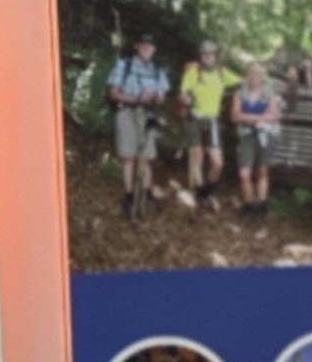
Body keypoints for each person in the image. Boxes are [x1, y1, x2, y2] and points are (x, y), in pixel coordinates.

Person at [107, 31, 170, 222]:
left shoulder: (157, 71)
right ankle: (128, 196)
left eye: (150, 45)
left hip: (147, 114)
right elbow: (113, 93)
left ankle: (148, 193)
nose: (146, 48)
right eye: (143, 44)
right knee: (129, 156)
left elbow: (162, 96)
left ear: (154, 49)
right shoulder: (123, 64)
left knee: (147, 156)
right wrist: (135, 98)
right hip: (126, 111)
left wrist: (154, 96)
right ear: (136, 46)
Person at [179, 39, 236, 209]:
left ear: (215, 55)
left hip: (212, 120)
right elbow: (182, 93)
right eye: (205, 54)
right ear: (201, 56)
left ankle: (207, 191)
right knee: (197, 155)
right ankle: (200, 191)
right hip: (194, 118)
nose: (208, 56)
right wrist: (186, 98)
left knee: (218, 163)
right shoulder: (193, 72)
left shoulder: (221, 72)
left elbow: (243, 82)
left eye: (211, 53)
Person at [230, 62, 284, 214]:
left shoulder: (269, 93)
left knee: (262, 171)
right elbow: (234, 116)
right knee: (244, 173)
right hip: (246, 136)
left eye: (258, 74)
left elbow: (273, 115)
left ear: (263, 76)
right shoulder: (240, 93)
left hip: (265, 135)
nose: (255, 77)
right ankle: (248, 204)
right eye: (252, 73)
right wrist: (258, 118)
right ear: (248, 76)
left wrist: (246, 117)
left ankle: (261, 207)